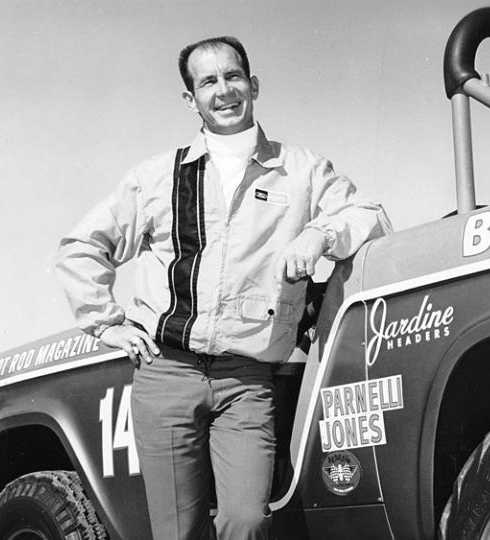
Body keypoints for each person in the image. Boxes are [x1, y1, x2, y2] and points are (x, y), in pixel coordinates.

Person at [55, 36, 390, 540]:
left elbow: (370, 217)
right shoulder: (154, 177)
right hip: (165, 376)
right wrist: (108, 324)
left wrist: (319, 233)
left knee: (247, 520)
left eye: (233, 77)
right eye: (208, 81)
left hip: (246, 380)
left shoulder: (301, 170)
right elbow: (80, 247)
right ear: (191, 99)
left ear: (252, 85)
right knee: (177, 530)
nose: (224, 90)